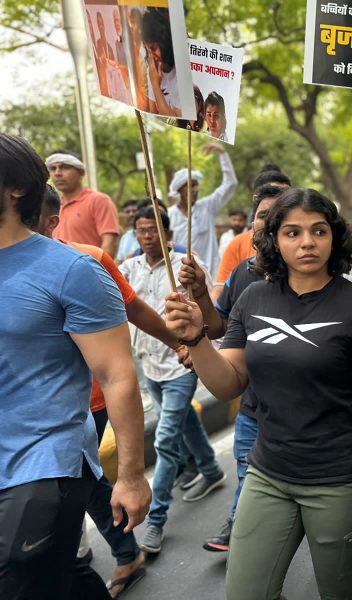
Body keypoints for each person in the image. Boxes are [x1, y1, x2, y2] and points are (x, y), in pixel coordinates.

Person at [164, 188, 352, 599]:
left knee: (340, 593)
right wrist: (198, 338)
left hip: (337, 482)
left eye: (318, 231)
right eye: (292, 232)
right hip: (267, 475)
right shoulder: (253, 298)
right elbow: (229, 382)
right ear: (274, 240)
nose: (307, 242)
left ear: (334, 238)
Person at [0, 134, 150, 599]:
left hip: (44, 464)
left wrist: (129, 475)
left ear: (15, 189)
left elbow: (118, 375)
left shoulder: (73, 270)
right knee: (59, 579)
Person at [178, 184, 285, 553]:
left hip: (302, 421)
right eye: (261, 215)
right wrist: (202, 298)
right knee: (249, 478)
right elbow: (220, 328)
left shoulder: (313, 279)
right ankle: (241, 530)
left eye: (277, 216)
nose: (266, 223)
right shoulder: (243, 274)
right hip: (252, 408)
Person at [120, 206, 225, 556]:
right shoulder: (128, 268)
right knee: (182, 422)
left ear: (168, 234)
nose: (147, 236)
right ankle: (210, 469)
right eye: (141, 230)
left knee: (165, 440)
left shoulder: (186, 266)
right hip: (149, 365)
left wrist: (201, 345)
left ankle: (156, 520)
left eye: (154, 230)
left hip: (183, 364)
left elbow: (210, 312)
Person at [167, 141, 237, 277]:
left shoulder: (208, 207)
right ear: (180, 190)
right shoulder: (169, 215)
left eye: (196, 186)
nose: (195, 190)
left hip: (211, 276)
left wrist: (222, 154)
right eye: (190, 186)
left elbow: (230, 184)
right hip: (183, 277)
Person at [213, 176, 289, 301]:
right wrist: (201, 295)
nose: (270, 222)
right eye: (264, 215)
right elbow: (221, 315)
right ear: (253, 224)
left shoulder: (304, 267)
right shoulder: (242, 272)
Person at [46, 150, 120, 256]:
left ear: (81, 172)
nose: (57, 173)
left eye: (65, 167)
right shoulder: (51, 206)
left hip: (90, 270)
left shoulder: (99, 200)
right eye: (53, 168)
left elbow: (109, 244)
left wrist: (98, 271)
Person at [141, 7, 182, 116]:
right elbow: (153, 113)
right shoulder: (152, 70)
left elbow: (175, 119)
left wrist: (155, 85)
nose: (151, 55)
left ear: (164, 44)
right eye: (147, 49)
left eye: (153, 48)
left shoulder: (180, 71)